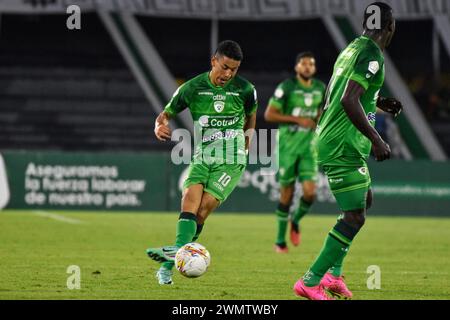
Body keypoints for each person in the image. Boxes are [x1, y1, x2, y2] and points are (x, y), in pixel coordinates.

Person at [293, 2, 402, 300]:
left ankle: (333, 276)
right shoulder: (372, 55)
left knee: (363, 201)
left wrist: (380, 102)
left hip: (336, 138)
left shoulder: (352, 48)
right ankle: (311, 281)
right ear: (390, 28)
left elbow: (341, 92)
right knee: (355, 217)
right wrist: (377, 138)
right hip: (343, 143)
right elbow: (347, 100)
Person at [147, 40, 258, 285]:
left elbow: (251, 115)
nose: (228, 74)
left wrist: (247, 145)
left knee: (203, 209)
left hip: (230, 160)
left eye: (234, 69)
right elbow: (166, 113)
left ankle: (168, 262)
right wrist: (159, 124)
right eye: (225, 67)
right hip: (203, 156)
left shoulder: (245, 89)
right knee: (189, 200)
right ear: (213, 61)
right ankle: (172, 259)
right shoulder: (192, 88)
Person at [264, 52, 326, 253]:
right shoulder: (287, 87)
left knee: (310, 193)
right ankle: (280, 241)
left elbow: (322, 112)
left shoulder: (320, 88)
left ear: (314, 69)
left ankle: (296, 220)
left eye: (311, 64)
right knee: (286, 195)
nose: (307, 67)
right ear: (297, 67)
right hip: (287, 148)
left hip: (309, 148)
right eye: (304, 63)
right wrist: (299, 120)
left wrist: (319, 119)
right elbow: (269, 114)